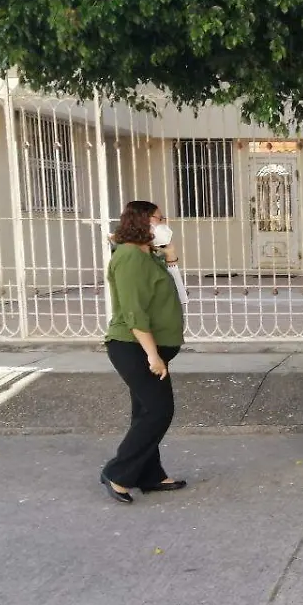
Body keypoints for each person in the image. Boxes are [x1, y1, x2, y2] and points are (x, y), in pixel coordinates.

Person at [100, 201, 187, 504]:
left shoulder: (147, 255)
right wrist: (153, 355)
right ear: (142, 222)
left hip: (149, 347)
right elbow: (133, 312)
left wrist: (171, 255)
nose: (164, 224)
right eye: (159, 219)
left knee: (145, 413)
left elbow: (180, 295)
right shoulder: (129, 257)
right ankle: (117, 472)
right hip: (133, 347)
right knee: (159, 411)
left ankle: (150, 475)